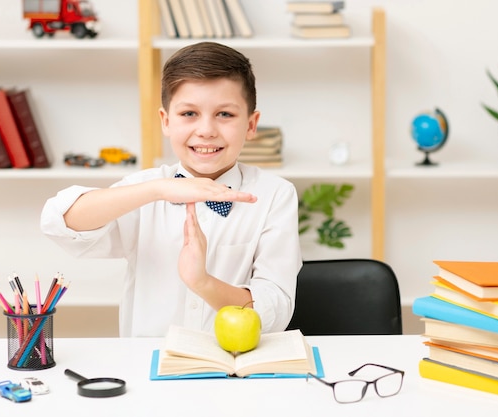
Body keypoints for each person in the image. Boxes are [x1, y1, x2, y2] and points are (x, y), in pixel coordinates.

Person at [40, 42, 302, 337]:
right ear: (166, 121)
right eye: (189, 113)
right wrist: (158, 191)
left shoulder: (275, 195)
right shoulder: (146, 189)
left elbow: (274, 311)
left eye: (225, 114)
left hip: (232, 367)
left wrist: (202, 282)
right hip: (148, 366)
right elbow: (60, 221)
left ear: (251, 125)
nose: (206, 130)